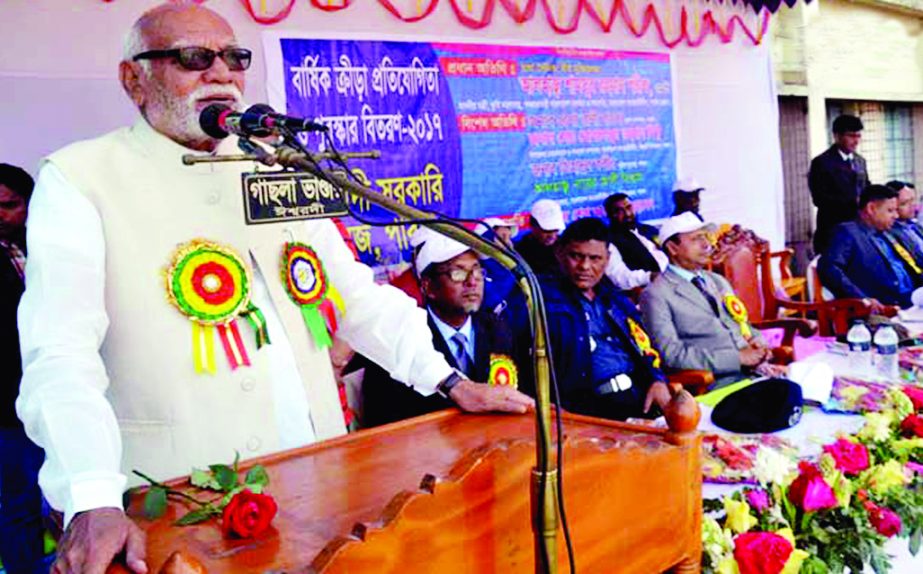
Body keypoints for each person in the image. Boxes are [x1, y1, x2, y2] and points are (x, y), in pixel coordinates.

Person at [17, 4, 534, 572]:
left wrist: (450, 381)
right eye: (193, 58)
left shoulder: (276, 167)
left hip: (320, 480)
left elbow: (357, 298)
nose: (221, 74)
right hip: (177, 494)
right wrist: (91, 496)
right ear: (133, 79)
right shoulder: (81, 178)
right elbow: (60, 353)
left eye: (234, 58)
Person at [363, 235, 527, 426]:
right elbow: (383, 427)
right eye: (458, 273)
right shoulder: (399, 340)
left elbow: (519, 398)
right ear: (428, 286)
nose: (472, 282)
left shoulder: (500, 329)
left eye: (477, 272)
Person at [539, 218, 671, 421]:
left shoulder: (615, 299)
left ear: (607, 260)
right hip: (585, 411)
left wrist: (657, 379)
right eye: (576, 256)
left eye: (595, 258)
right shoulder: (541, 299)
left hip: (639, 400)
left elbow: (644, 345)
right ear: (559, 253)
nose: (585, 266)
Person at [640, 213, 785, 386]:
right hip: (715, 381)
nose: (706, 245)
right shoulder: (657, 294)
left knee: (813, 378)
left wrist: (759, 344)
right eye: (696, 239)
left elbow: (742, 325)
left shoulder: (717, 281)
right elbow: (671, 355)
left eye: (706, 237)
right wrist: (737, 359)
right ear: (672, 248)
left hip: (754, 372)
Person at [0, 164, 46, 574]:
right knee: (19, 503)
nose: (0, 214)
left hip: (59, 390)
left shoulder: (48, 246)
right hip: (7, 406)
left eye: (10, 205)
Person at [819, 184, 923, 311]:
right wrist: (862, 299)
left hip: (914, 299)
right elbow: (829, 269)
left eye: (896, 210)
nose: (896, 216)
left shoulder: (890, 232)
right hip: (884, 308)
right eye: (890, 210)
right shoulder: (848, 233)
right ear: (871, 208)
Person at [809, 115, 868, 254]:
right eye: (851, 136)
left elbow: (866, 187)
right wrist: (853, 202)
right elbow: (819, 198)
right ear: (837, 136)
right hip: (833, 229)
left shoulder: (860, 161)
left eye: (858, 136)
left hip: (859, 229)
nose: (856, 141)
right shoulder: (822, 163)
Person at [603, 193, 667, 290]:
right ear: (610, 215)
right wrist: (649, 277)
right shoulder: (608, 240)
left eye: (629, 207)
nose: (627, 214)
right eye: (619, 211)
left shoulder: (649, 230)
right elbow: (618, 276)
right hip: (646, 289)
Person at [514, 199, 565, 276]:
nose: (552, 236)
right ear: (532, 225)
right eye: (546, 230)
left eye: (555, 230)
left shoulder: (566, 247)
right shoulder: (520, 252)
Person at [887, 180, 923, 258]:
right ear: (893, 206)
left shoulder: (914, 225)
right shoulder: (892, 233)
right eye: (904, 203)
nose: (912, 205)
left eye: (912, 200)